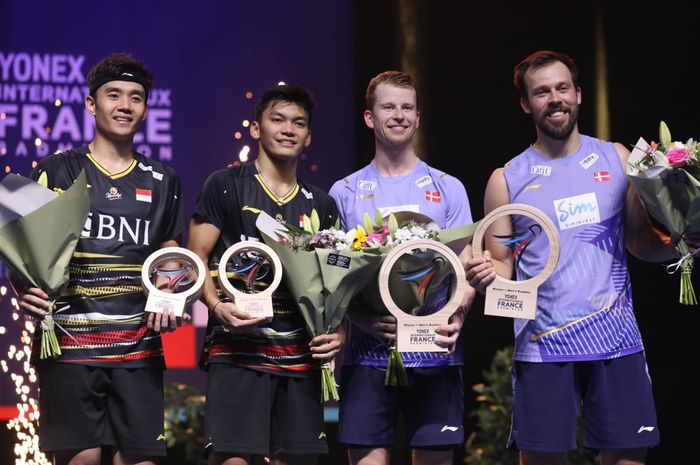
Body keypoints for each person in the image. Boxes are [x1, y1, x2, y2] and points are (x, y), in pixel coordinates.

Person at [465, 50, 675, 465]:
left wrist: (681, 242)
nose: (554, 98)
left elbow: (640, 242)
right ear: (527, 104)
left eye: (562, 88)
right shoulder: (505, 180)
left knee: (630, 455)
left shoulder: (617, 158)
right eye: (541, 92)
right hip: (543, 347)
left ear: (578, 94)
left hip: (615, 339)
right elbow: (503, 266)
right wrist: (487, 273)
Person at [16, 52, 186, 465]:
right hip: (71, 347)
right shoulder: (56, 170)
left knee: (143, 459)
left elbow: (171, 255)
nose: (124, 105)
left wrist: (174, 295)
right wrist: (25, 288)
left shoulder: (163, 180)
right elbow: (19, 246)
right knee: (83, 460)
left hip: (139, 348)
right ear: (91, 103)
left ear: (146, 109)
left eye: (136, 97)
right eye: (113, 95)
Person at [188, 84, 343, 465]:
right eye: (278, 119)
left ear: (308, 136)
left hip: (299, 356)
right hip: (237, 349)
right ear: (256, 128)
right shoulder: (224, 186)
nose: (288, 129)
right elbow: (195, 256)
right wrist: (214, 304)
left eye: (299, 123)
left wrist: (338, 332)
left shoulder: (322, 204)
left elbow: (336, 286)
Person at [328, 71, 475, 465]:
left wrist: (457, 313)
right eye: (388, 106)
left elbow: (465, 268)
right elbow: (333, 276)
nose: (399, 115)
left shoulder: (448, 187)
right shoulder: (343, 191)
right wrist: (361, 317)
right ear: (369, 117)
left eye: (407, 107)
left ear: (418, 116)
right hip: (366, 355)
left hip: (435, 352)